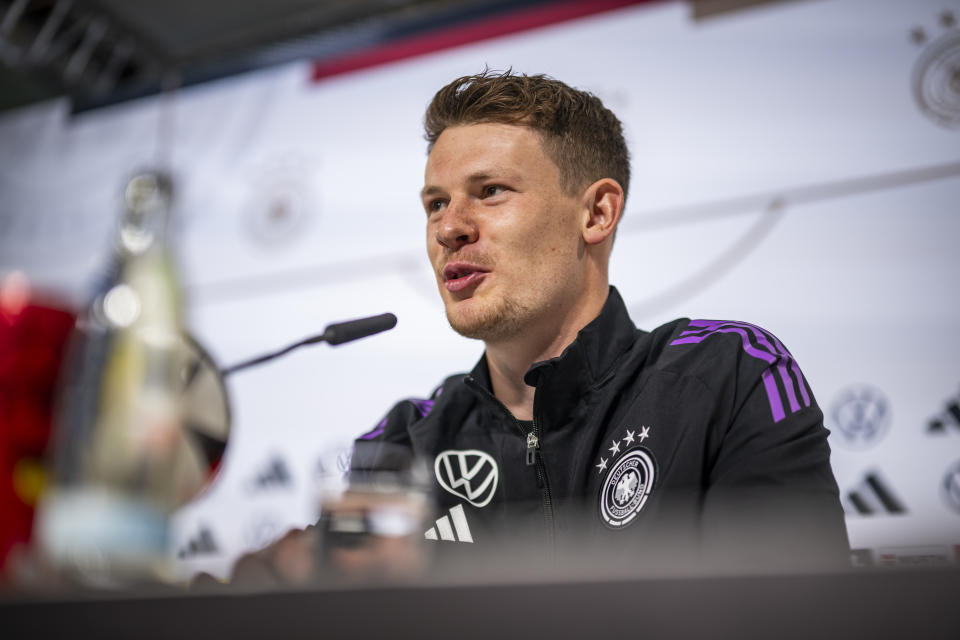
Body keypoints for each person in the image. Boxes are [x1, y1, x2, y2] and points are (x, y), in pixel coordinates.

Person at [234, 70, 848, 584]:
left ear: (597, 212)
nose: (450, 228)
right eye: (436, 203)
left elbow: (796, 615)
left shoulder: (727, 374)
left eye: (491, 190)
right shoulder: (409, 442)